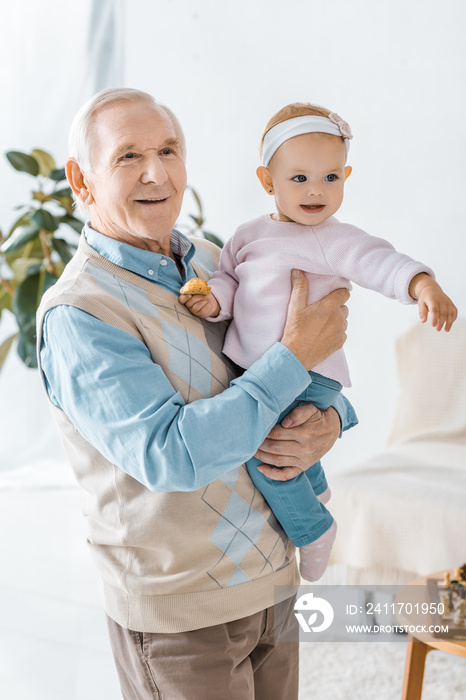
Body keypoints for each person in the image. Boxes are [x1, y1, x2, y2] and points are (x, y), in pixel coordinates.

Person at [36, 88, 352, 700]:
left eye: (169, 150)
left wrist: (331, 420)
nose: (157, 173)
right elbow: (172, 455)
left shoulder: (216, 262)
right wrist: (293, 357)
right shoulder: (81, 314)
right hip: (180, 615)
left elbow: (316, 366)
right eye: (128, 156)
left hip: (272, 581)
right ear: (82, 178)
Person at [180, 101, 458, 583]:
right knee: (283, 439)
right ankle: (319, 491)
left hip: (311, 374)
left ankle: (312, 529)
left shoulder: (333, 238)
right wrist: (213, 301)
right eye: (300, 178)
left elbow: (380, 261)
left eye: (331, 178)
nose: (317, 191)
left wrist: (421, 285)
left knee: (267, 453)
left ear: (346, 176)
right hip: (263, 370)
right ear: (268, 180)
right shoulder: (247, 237)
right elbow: (230, 283)